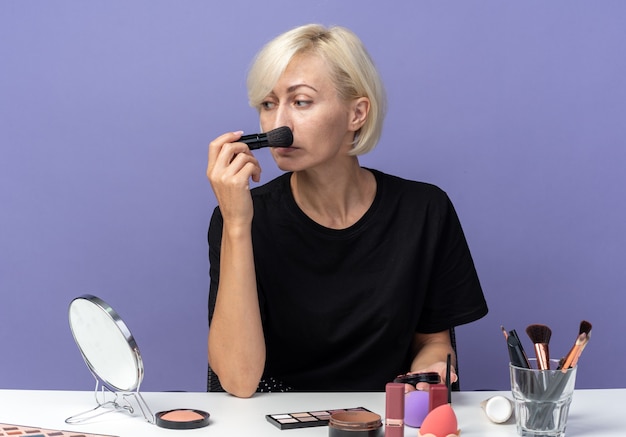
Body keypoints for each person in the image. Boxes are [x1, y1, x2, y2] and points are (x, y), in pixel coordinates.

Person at [206, 23, 488, 398]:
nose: (278, 123)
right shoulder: (239, 216)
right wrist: (237, 225)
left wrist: (430, 369)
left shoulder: (425, 211)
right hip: (274, 422)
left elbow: (433, 342)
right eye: (268, 104)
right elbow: (239, 381)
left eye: (300, 101)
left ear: (357, 114)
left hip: (387, 418)